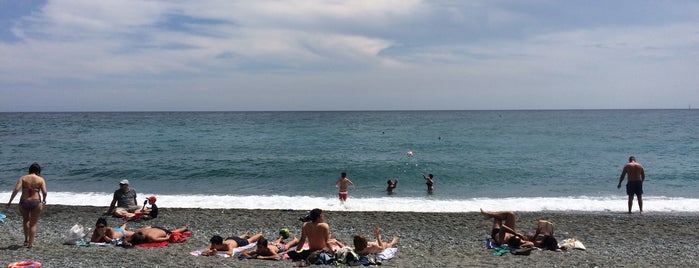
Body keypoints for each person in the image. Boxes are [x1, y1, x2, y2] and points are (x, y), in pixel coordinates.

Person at [6, 163, 47, 248]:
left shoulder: (23, 178)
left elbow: (16, 189)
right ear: (38, 171)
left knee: (26, 220)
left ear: (30, 170)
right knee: (33, 223)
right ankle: (30, 244)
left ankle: (26, 240)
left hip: (24, 201)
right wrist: (44, 200)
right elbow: (44, 192)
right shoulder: (40, 179)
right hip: (36, 202)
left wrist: (10, 201)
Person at [123, 225, 190, 246]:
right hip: (152, 227)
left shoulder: (151, 238)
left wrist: (168, 237)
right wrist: (126, 242)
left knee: (172, 232)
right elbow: (126, 240)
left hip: (163, 231)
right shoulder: (138, 232)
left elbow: (167, 238)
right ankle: (184, 228)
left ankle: (184, 228)